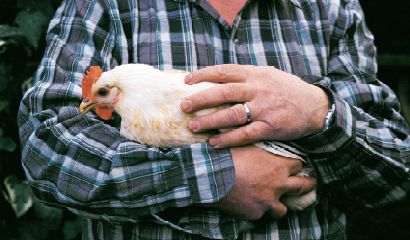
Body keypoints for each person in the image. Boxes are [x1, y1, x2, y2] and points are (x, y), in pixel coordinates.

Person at [18, 0, 410, 239]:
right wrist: (214, 178)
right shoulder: (106, 4)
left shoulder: (331, 7)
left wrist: (317, 112)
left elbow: (396, 174)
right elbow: (46, 148)